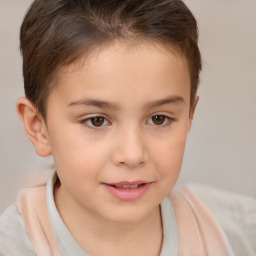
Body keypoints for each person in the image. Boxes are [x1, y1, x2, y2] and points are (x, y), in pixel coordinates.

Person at [0, 0, 255, 255]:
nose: (132, 155)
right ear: (38, 127)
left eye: (159, 119)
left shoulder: (240, 233)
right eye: (96, 120)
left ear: (189, 115)